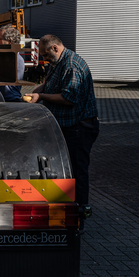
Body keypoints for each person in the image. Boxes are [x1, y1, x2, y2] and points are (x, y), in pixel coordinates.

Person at [25, 34, 98, 207]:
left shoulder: (71, 65)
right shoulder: (58, 62)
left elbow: (68, 97)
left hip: (80, 128)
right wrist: (39, 89)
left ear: (55, 48)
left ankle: (80, 211)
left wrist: (41, 96)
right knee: (67, 169)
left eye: (45, 55)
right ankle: (67, 206)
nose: (43, 59)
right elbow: (49, 82)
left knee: (76, 171)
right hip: (69, 127)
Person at [0, 25, 25, 102]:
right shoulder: (6, 57)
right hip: (3, 99)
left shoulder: (15, 59)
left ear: (10, 41)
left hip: (11, 100)